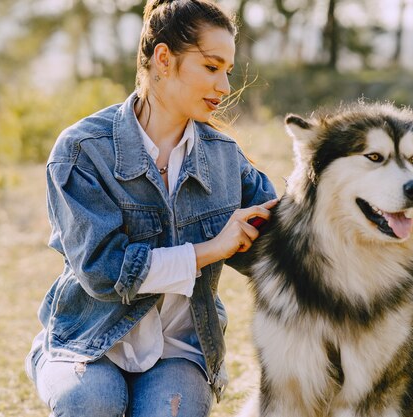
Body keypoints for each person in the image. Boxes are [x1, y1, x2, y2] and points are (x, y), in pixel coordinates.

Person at [24, 0, 278, 416]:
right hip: (89, 341)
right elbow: (104, 272)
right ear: (164, 58)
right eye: (211, 68)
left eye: (228, 72)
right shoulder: (82, 151)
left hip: (179, 348)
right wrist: (212, 248)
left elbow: (281, 244)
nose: (225, 87)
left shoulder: (226, 159)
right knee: (92, 404)